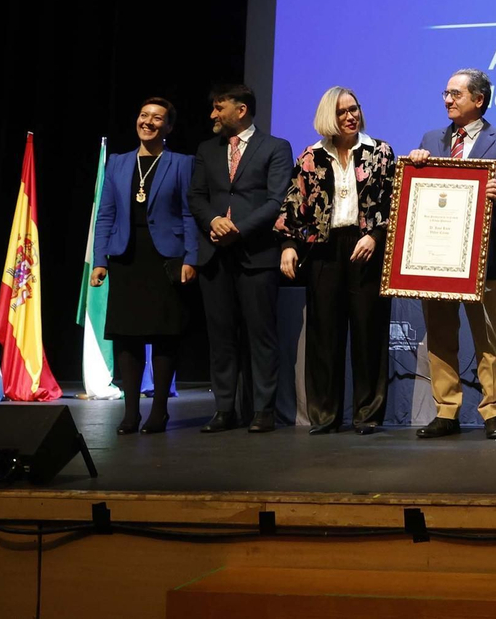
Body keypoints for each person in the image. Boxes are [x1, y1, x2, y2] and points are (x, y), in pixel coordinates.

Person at [408, 69, 496, 440]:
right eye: (445, 93)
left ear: (478, 100)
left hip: (483, 258)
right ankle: (446, 411)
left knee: (488, 339)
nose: (447, 99)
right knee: (441, 336)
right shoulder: (431, 139)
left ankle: (494, 412)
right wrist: (416, 165)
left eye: (455, 94)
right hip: (438, 259)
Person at [277, 87, 396, 434]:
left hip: (367, 247)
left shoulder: (380, 152)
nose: (350, 116)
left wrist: (376, 236)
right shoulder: (311, 157)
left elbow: (396, 200)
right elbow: (293, 204)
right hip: (325, 251)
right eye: (343, 111)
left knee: (368, 332)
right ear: (329, 116)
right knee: (324, 334)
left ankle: (367, 414)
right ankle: (325, 414)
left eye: (354, 109)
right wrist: (288, 244)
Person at [188, 85, 293, 433]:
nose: (213, 116)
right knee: (221, 336)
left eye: (220, 108)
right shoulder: (207, 149)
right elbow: (197, 196)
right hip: (215, 254)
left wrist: (239, 228)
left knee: (261, 335)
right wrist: (214, 221)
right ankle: (224, 409)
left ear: (242, 109)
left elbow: (277, 199)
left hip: (257, 253)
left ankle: (262, 409)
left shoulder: (276, 148)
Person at [90, 98, 198, 434]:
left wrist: (191, 258)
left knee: (165, 336)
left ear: (168, 127)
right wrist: (100, 260)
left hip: (166, 258)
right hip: (126, 258)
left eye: (157, 118)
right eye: (143, 115)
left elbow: (189, 213)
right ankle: (131, 412)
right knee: (126, 337)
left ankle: (160, 411)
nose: (148, 122)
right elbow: (105, 214)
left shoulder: (182, 163)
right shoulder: (119, 163)